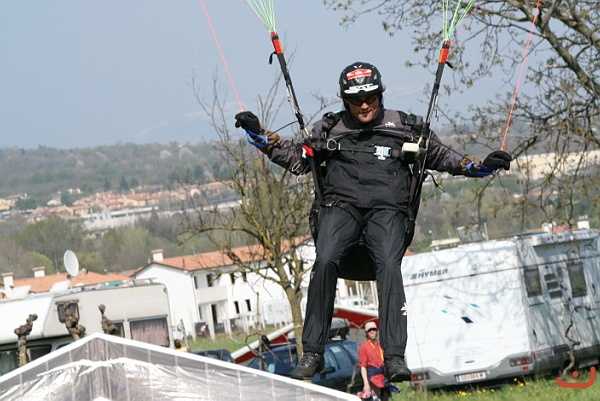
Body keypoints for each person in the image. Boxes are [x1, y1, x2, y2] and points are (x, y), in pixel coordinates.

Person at [234, 61, 512, 382]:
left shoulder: (406, 127)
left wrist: (480, 166)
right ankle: (313, 353)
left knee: (389, 265)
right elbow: (296, 158)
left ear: (381, 94)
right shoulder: (328, 129)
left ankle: (393, 356)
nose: (364, 105)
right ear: (345, 100)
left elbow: (445, 157)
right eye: (356, 100)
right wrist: (259, 133)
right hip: (341, 207)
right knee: (324, 259)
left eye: (370, 98)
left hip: (388, 211)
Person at [359, 322, 392, 401]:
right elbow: (363, 367)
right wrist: (366, 384)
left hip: (383, 379)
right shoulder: (363, 347)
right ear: (367, 333)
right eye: (369, 330)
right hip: (373, 380)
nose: (372, 332)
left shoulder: (381, 345)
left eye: (374, 329)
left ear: (377, 331)